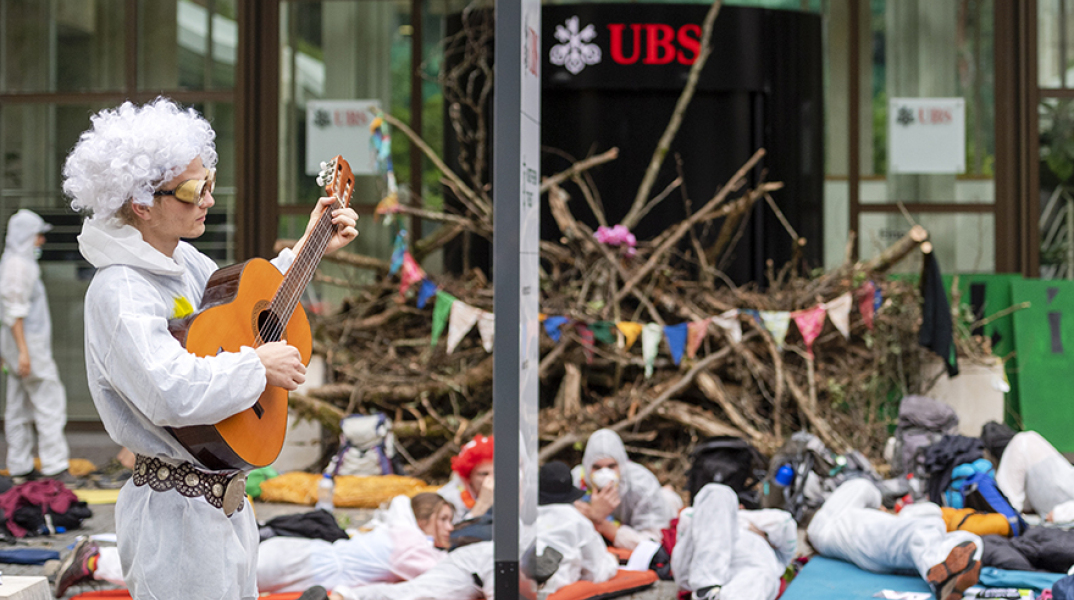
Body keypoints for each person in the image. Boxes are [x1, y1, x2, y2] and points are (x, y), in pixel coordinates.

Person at [61, 98, 358, 600]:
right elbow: (168, 391)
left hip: (221, 504)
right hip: (173, 520)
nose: (208, 199)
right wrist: (257, 365)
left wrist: (310, 243)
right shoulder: (120, 291)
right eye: (194, 190)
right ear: (141, 202)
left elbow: (243, 312)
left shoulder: (185, 261)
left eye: (210, 183)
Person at [54, 492, 454, 597]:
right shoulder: (411, 544)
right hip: (306, 562)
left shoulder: (405, 527)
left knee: (209, 569)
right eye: (444, 519)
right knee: (205, 573)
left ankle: (100, 560)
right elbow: (442, 573)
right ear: (424, 519)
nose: (450, 529)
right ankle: (97, 561)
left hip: (307, 559)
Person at [328, 462, 619, 600]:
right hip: (525, 566)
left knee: (414, 592)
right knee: (531, 576)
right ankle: (533, 572)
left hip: (483, 553)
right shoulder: (577, 522)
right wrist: (612, 558)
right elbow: (598, 572)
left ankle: (342, 597)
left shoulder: (521, 512)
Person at [807, 479, 982, 600]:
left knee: (969, 540)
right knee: (922, 529)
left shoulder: (835, 523)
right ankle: (939, 576)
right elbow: (863, 486)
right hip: (871, 544)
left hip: (879, 553)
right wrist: (880, 507)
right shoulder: (830, 523)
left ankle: (948, 569)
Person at [0, 209, 73, 485]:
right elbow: (15, 312)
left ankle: (19, 466)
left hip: (17, 350)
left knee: (17, 408)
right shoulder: (20, 266)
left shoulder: (10, 263)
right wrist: (24, 352)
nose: (41, 240)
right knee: (49, 403)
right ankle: (54, 465)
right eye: (38, 234)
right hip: (30, 350)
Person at [672, 483, 797, 600]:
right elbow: (686, 517)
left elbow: (785, 523)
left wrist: (745, 523)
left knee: (763, 576)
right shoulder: (718, 515)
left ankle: (710, 593)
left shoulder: (768, 551)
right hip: (698, 569)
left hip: (743, 575)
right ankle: (706, 589)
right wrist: (734, 519)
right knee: (718, 492)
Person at [572, 429, 679, 550]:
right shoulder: (575, 483)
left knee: (669, 501)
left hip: (657, 514)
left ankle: (668, 495)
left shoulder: (642, 484)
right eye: (597, 467)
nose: (605, 473)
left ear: (622, 465)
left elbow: (654, 541)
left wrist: (601, 524)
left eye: (611, 466)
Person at [993, 430, 1074, 523]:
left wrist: (1061, 513)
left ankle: (1006, 513)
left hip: (1065, 496)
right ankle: (1006, 510)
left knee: (1023, 442)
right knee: (1026, 440)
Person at [439, 434, 495, 524]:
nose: (492, 479)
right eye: (484, 474)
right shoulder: (448, 499)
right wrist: (483, 504)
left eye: (496, 473)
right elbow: (455, 534)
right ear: (468, 477)